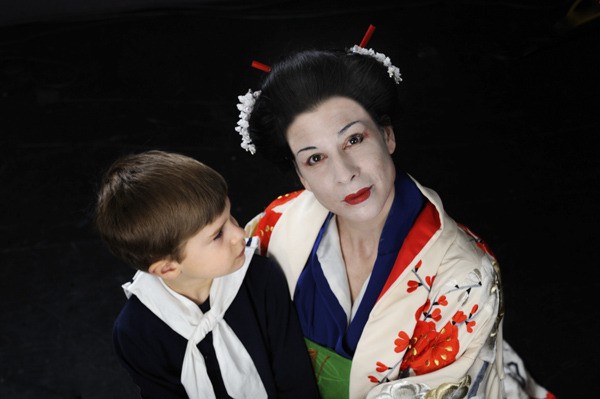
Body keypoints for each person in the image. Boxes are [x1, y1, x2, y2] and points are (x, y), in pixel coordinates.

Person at [235, 26, 555, 399]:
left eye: (354, 139)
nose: (344, 174)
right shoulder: (278, 222)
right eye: (315, 158)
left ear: (387, 136)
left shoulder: (462, 275)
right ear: (299, 174)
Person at [93, 150, 320, 399]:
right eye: (217, 235)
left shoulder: (261, 279)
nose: (240, 235)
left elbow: (296, 380)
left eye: (230, 216)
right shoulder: (136, 331)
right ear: (167, 268)